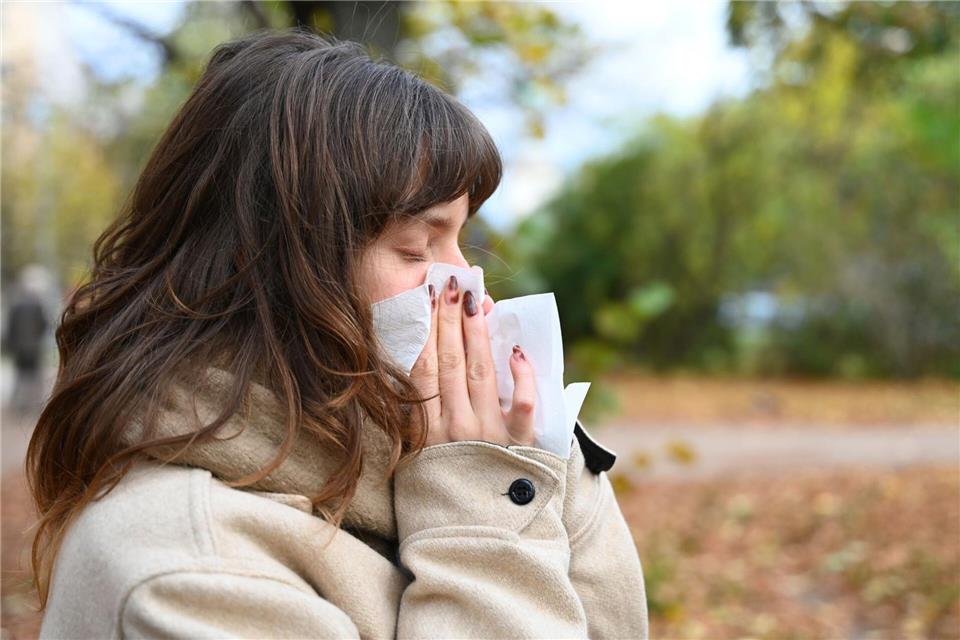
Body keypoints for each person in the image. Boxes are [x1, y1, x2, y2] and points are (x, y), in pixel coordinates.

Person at [27, 29, 648, 638]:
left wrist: (538, 460)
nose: (468, 281)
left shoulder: (440, 445)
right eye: (415, 248)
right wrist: (481, 511)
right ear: (272, 270)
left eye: (460, 239)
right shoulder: (181, 565)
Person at [2, 264, 51, 416]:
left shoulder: (15, 305)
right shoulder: (38, 305)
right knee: (35, 377)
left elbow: (10, 328)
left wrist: (10, 345)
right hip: (34, 347)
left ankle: (17, 406)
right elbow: (44, 324)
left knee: (19, 376)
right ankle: (35, 405)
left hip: (19, 348)